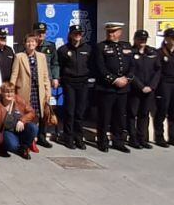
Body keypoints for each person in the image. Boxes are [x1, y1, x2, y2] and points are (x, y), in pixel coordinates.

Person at [90, 22, 133, 153]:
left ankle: (118, 141)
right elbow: (100, 67)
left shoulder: (126, 46)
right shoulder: (100, 47)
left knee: (119, 116)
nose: (111, 34)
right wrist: (114, 80)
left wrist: (127, 78)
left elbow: (132, 65)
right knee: (104, 116)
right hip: (106, 88)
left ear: (120, 32)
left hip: (123, 89)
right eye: (109, 32)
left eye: (114, 31)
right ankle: (102, 141)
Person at [10, 31, 53, 151]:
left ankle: (37, 138)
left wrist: (48, 92)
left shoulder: (41, 56)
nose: (31, 44)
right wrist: (11, 92)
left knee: (38, 116)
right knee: (26, 116)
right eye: (28, 42)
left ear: (36, 43)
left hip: (38, 91)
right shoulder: (19, 56)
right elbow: (14, 75)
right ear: (25, 43)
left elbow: (45, 76)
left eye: (33, 41)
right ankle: (29, 141)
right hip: (24, 91)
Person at [56, 25, 91, 150]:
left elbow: (90, 66)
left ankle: (79, 137)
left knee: (80, 112)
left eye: (79, 33)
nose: (77, 35)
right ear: (70, 34)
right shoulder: (63, 50)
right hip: (69, 82)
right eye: (75, 33)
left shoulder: (88, 49)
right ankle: (68, 137)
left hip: (83, 83)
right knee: (70, 111)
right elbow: (59, 66)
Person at [0, 82, 38, 160]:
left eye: (11, 92)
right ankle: (15, 147)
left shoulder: (19, 100)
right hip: (7, 131)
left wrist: (22, 120)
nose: (10, 94)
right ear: (2, 93)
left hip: (21, 129)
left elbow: (32, 112)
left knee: (33, 127)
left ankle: (24, 147)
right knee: (12, 146)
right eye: (7, 92)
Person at [128, 29, 160, 150]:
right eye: (140, 39)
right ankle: (133, 138)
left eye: (144, 39)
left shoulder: (152, 53)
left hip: (149, 89)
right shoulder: (130, 53)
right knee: (132, 114)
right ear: (135, 39)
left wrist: (151, 86)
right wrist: (141, 86)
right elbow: (130, 72)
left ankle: (143, 138)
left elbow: (158, 71)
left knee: (144, 114)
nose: (142, 41)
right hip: (135, 89)